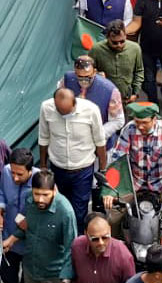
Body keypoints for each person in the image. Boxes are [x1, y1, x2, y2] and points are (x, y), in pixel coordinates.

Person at [39, 86, 108, 223]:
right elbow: (43, 138)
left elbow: (100, 142)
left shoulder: (91, 110)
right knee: (59, 208)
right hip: (58, 169)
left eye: (67, 113)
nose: (64, 117)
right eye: (60, 113)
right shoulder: (46, 108)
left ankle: (77, 241)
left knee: (79, 212)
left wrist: (103, 169)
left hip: (82, 171)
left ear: (74, 103)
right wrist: (43, 166)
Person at [4, 170, 77, 283]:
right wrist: (11, 240)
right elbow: (27, 225)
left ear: (54, 191)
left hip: (53, 275)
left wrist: (66, 278)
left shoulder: (65, 212)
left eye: (45, 195)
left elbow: (71, 247)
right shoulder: (29, 199)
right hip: (30, 270)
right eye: (36, 194)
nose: (40, 199)